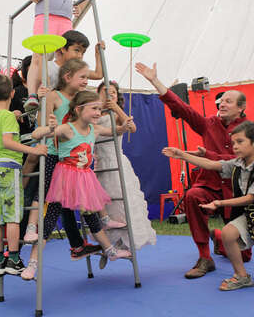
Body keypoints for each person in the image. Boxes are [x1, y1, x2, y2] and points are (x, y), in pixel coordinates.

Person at [136, 61, 250, 278]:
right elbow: (182, 108)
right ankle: (205, 257)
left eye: (228, 101)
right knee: (193, 195)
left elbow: (238, 161)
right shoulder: (208, 124)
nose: (221, 104)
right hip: (209, 186)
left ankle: (218, 236)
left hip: (236, 193)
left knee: (243, 256)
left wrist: (207, 155)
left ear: (240, 108)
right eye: (221, 100)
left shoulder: (249, 131)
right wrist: (154, 81)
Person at [21, 91, 132, 281]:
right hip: (64, 180)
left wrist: (123, 121)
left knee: (91, 215)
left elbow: (118, 131)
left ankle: (110, 250)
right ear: (79, 109)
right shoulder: (67, 129)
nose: (98, 112)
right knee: (49, 221)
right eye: (94, 108)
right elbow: (36, 134)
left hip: (85, 179)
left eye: (99, 108)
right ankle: (32, 265)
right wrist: (49, 128)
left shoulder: (94, 129)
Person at [22, 59, 102, 261]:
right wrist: (42, 105)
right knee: (47, 195)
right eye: (82, 77)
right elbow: (44, 123)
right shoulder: (53, 95)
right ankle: (32, 228)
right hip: (52, 151)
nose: (86, 80)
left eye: (86, 77)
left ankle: (88, 239)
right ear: (67, 77)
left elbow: (85, 123)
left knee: (73, 201)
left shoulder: (80, 100)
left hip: (69, 156)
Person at [162, 121, 254, 291]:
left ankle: (217, 236)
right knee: (229, 233)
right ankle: (242, 276)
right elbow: (212, 164)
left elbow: (250, 198)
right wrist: (182, 155)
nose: (235, 146)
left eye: (240, 142)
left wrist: (219, 203)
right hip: (250, 215)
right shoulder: (238, 164)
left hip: (249, 209)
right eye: (233, 142)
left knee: (243, 251)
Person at [0, 74, 47, 277]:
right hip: (9, 167)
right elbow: (8, 142)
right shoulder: (7, 117)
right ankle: (14, 259)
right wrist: (34, 151)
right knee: (13, 216)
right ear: (13, 93)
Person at [9, 0, 91, 110]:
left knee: (66, 57)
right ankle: (32, 94)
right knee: (39, 55)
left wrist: (81, 6)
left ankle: (68, 92)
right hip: (45, 17)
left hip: (65, 20)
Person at [95, 81, 156, 268]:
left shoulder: (117, 114)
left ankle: (123, 244)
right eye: (105, 92)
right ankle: (108, 245)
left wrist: (116, 109)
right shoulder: (94, 115)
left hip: (117, 162)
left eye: (113, 93)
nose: (109, 95)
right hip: (100, 165)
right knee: (105, 207)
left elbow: (132, 127)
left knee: (121, 206)